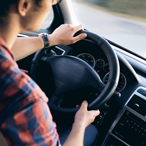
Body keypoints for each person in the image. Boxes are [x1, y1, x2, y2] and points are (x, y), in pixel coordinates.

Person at [0, 0, 100, 146]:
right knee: (91, 130)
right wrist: (80, 123)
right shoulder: (24, 99)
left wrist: (50, 39)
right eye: (51, 0)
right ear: (24, 5)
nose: (53, 3)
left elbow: (6, 49)